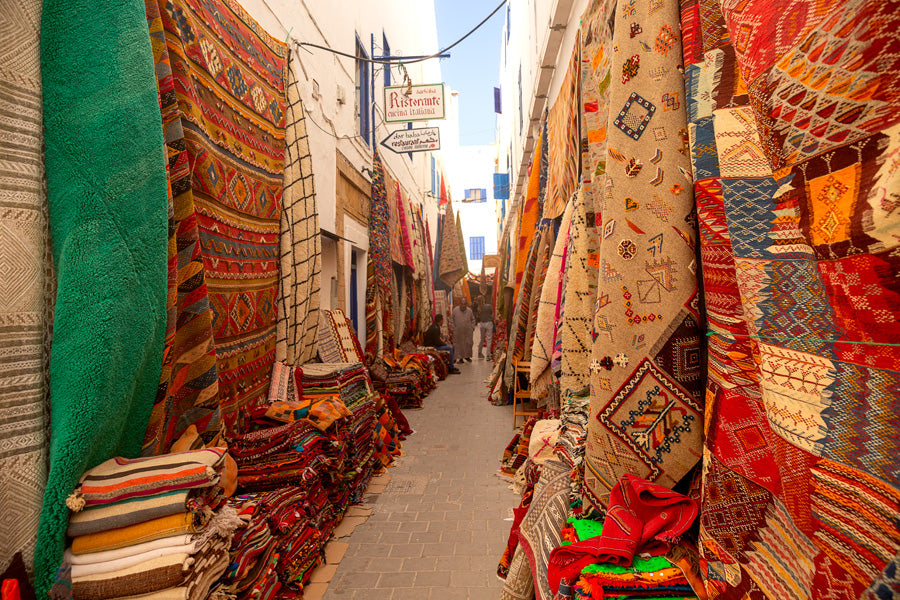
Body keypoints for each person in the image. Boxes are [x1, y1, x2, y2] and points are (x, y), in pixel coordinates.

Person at [451, 297, 476, 363]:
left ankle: (467, 357)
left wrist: (472, 327)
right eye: (462, 304)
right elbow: (451, 320)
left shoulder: (469, 311)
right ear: (459, 304)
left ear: (466, 304)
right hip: (458, 332)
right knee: (459, 345)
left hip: (468, 332)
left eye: (464, 304)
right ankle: (460, 358)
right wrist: (453, 328)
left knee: (468, 344)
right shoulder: (455, 310)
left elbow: (473, 319)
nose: (463, 305)